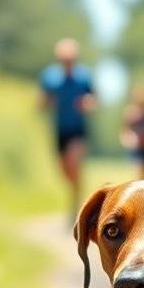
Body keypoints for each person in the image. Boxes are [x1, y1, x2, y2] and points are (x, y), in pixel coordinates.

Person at [38, 38, 96, 213]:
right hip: (60, 130)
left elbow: (94, 99)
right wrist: (47, 100)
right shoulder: (50, 76)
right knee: (64, 171)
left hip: (78, 130)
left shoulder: (84, 76)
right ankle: (76, 194)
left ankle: (79, 202)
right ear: (59, 59)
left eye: (71, 60)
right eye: (65, 60)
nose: (68, 63)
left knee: (73, 162)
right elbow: (40, 100)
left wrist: (87, 103)